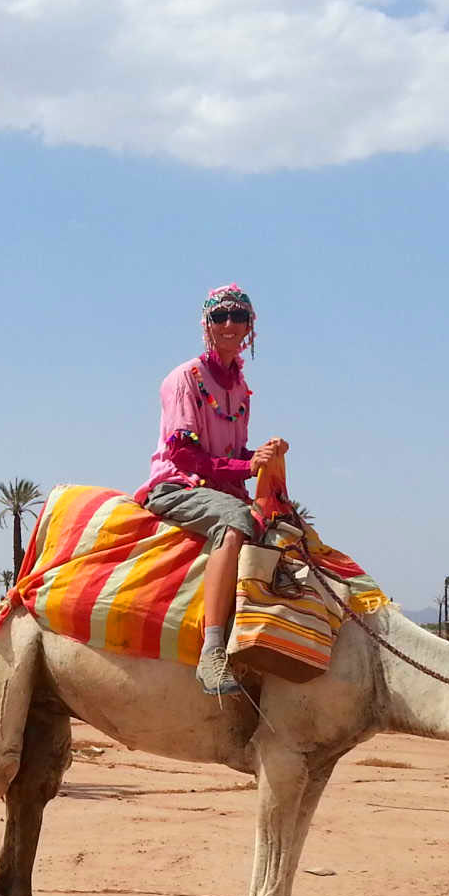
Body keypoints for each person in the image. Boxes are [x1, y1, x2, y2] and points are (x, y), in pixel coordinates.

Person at [132, 284, 288, 696]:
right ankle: (211, 651)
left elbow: (234, 454)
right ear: (207, 325)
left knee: (283, 528)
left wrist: (264, 456)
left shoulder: (239, 388)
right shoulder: (185, 378)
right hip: (176, 485)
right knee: (236, 520)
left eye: (239, 317)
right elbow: (185, 456)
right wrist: (245, 465)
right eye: (220, 317)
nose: (230, 325)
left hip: (218, 487)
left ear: (250, 327)